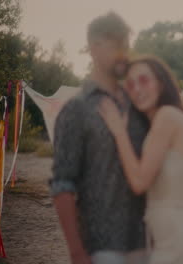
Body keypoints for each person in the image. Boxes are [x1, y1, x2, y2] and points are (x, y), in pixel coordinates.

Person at [50, 12, 150, 264]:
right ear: (94, 48)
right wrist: (76, 252)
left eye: (126, 45)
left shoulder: (137, 105)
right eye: (117, 44)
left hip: (143, 243)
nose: (124, 52)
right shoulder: (76, 109)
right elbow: (62, 185)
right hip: (102, 248)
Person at [98, 56, 183, 264]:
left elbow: (140, 182)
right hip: (173, 234)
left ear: (160, 82)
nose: (137, 89)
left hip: (179, 237)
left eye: (144, 80)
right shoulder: (162, 120)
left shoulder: (166, 116)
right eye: (130, 84)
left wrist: (118, 131)